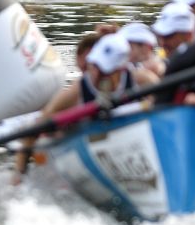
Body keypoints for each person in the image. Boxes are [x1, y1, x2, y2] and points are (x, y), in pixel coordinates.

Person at [13, 34, 158, 182]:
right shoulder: (76, 92)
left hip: (133, 143)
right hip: (91, 144)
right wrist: (19, 174)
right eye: (95, 66)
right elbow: (35, 129)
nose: (97, 74)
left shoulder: (143, 81)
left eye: (105, 70)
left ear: (121, 69)